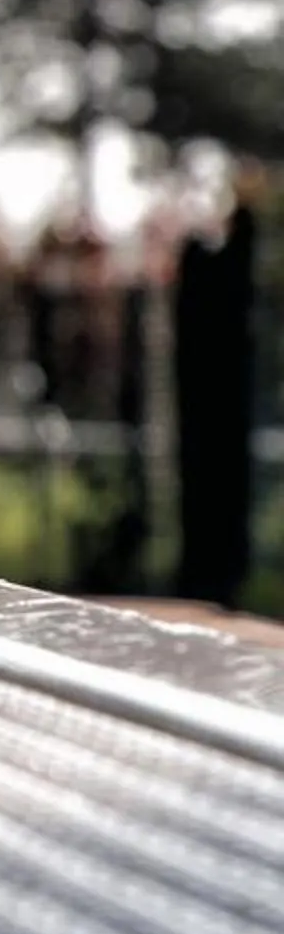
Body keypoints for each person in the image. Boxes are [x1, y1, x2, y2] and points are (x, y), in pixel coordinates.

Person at [171, 164, 263, 610]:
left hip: (215, 411)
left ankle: (213, 579)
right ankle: (213, 579)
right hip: (214, 411)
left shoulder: (216, 273)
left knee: (214, 497)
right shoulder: (215, 276)